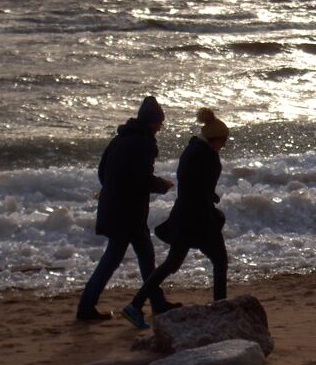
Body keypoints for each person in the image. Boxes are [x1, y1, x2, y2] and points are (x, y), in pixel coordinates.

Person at [120, 108, 230, 329]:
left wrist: (210, 195)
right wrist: (212, 207)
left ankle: (135, 305)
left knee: (170, 264)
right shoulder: (206, 156)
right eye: (223, 141)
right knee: (220, 262)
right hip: (199, 221)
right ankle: (220, 310)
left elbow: (193, 185)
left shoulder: (192, 150)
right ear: (214, 139)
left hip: (184, 219)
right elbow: (199, 190)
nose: (223, 146)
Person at [76, 95, 178, 322]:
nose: (161, 127)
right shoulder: (145, 142)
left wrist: (113, 190)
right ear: (152, 122)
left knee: (121, 257)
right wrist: (162, 185)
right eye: (160, 123)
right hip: (129, 213)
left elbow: (102, 172)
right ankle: (155, 303)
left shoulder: (120, 139)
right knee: (138, 257)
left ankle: (87, 306)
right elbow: (141, 178)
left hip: (113, 208)